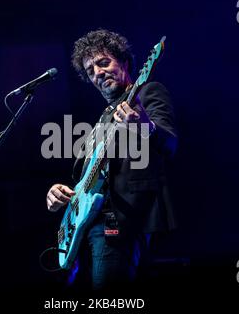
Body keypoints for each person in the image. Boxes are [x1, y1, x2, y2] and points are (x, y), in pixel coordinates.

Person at [46, 29, 177, 291]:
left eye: (104, 62)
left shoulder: (147, 92)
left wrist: (142, 125)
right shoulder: (102, 120)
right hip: (86, 226)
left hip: (120, 221)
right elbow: (85, 180)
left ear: (125, 62)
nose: (98, 72)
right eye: (90, 69)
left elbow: (169, 142)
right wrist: (61, 193)